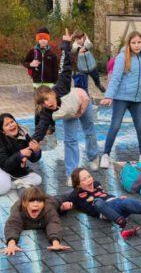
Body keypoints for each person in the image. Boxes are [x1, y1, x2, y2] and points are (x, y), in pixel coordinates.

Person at [31, 35, 99, 177]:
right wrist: (34, 141)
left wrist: (66, 44)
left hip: (82, 101)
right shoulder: (46, 111)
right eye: (43, 103)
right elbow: (42, 127)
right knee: (70, 140)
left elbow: (65, 68)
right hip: (70, 113)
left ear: (52, 93)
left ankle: (94, 157)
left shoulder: (61, 87)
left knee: (89, 130)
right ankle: (72, 173)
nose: (47, 104)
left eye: (47, 99)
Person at [60, 167, 141, 240]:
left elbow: (108, 197)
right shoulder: (76, 194)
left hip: (116, 204)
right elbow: (62, 202)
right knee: (97, 202)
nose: (89, 180)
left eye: (89, 176)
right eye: (84, 179)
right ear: (78, 184)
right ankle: (122, 224)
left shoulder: (97, 184)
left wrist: (118, 198)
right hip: (104, 212)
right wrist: (65, 206)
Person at [99, 31, 141, 167]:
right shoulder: (122, 57)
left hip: (136, 100)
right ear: (129, 44)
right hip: (121, 98)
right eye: (133, 43)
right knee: (115, 125)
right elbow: (115, 78)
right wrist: (109, 95)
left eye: (139, 42)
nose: (136, 45)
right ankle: (105, 155)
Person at [2, 187, 71, 256]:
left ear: (43, 204)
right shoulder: (18, 210)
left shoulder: (48, 207)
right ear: (24, 204)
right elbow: (12, 226)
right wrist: (11, 244)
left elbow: (53, 223)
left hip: (53, 200)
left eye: (39, 201)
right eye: (31, 201)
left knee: (70, 196)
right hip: (24, 201)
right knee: (24, 192)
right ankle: (22, 186)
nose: (36, 204)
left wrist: (56, 243)